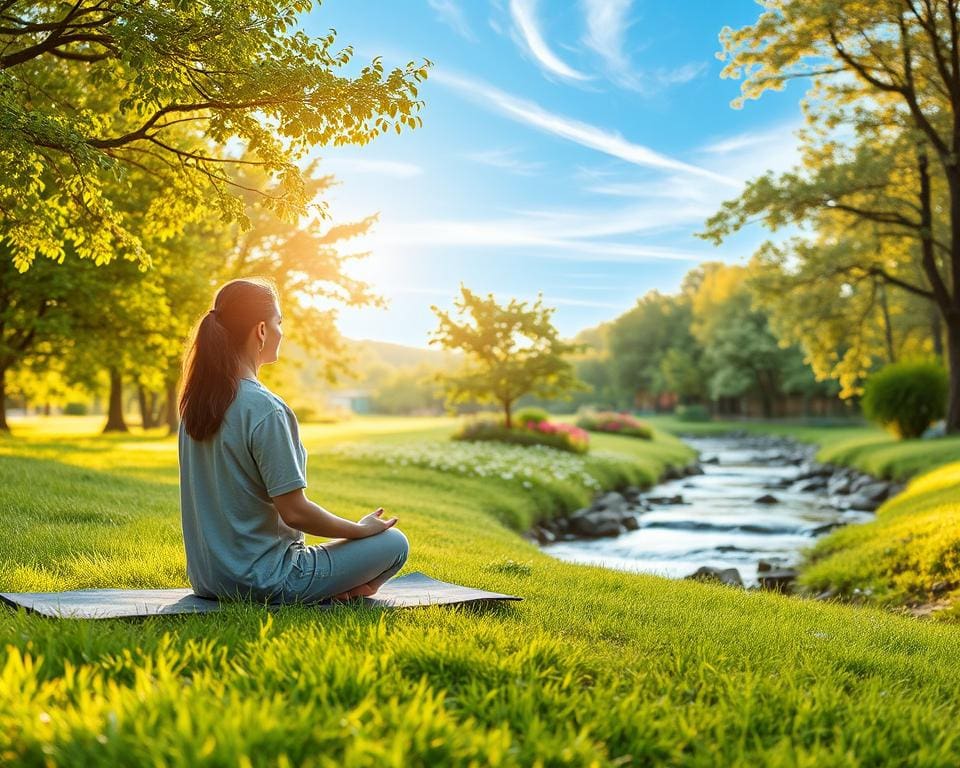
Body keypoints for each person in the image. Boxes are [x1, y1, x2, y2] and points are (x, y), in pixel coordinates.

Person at [177, 277, 409, 605]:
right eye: (278, 322)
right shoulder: (265, 409)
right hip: (267, 581)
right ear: (261, 330)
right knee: (395, 543)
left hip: (209, 580)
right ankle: (342, 591)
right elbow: (295, 513)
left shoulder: (195, 407)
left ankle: (339, 589)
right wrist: (360, 530)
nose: (281, 331)